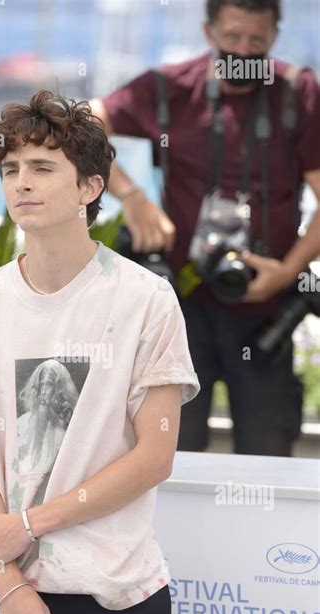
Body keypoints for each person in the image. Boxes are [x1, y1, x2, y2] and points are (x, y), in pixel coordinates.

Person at [0, 90, 200, 614]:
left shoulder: (145, 300)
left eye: (42, 167)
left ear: (89, 188)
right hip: (4, 589)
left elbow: (154, 457)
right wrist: (5, 579)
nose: (21, 183)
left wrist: (27, 526)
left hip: (115, 588)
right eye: (10, 169)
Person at [89, 0, 320, 456]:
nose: (244, 50)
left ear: (274, 35)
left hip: (266, 308)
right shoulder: (169, 88)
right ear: (207, 30)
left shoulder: (298, 93)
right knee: (171, 449)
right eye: (232, 37)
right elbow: (79, 123)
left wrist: (287, 270)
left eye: (257, 41)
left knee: (267, 452)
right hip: (180, 304)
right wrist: (133, 198)